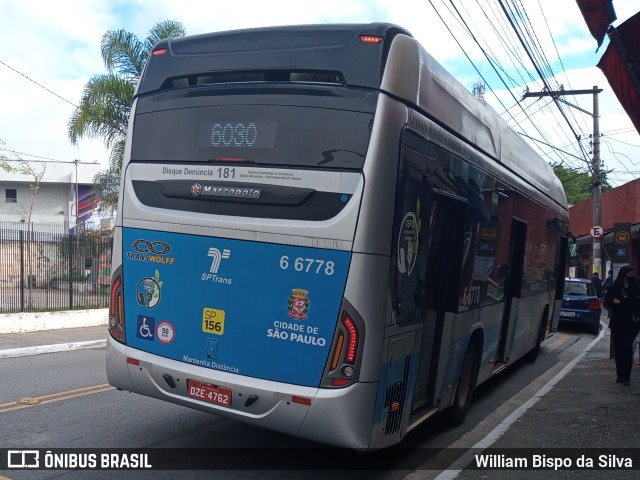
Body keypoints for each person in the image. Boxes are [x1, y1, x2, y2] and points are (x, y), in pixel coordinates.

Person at [605, 266, 640, 386]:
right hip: (617, 323)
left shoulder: (636, 287)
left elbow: (636, 303)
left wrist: (620, 302)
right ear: (624, 275)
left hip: (632, 323)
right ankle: (620, 374)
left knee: (627, 346)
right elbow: (608, 302)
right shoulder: (614, 288)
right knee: (619, 349)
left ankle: (626, 377)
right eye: (630, 274)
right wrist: (626, 302)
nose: (632, 276)